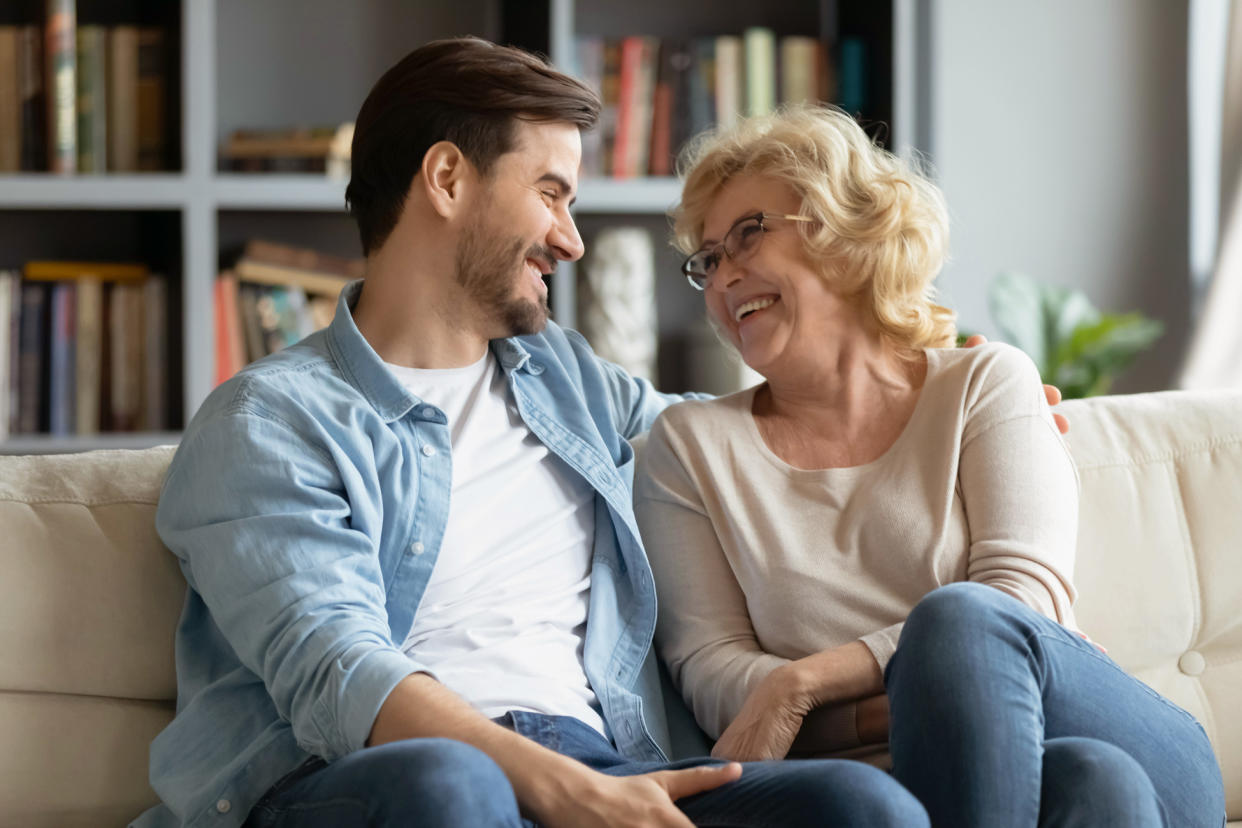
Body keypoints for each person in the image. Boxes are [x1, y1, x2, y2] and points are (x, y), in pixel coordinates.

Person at [133, 39, 938, 828]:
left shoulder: (562, 375)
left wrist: (931, 393)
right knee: (452, 787)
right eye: (550, 194)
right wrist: (561, 790)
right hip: (362, 780)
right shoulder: (271, 421)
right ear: (447, 179)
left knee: (858, 805)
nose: (571, 239)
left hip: (604, 759)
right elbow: (342, 673)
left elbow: (739, 435)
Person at [633, 103, 1227, 827]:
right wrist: (930, 700)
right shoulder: (687, 449)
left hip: (1119, 733)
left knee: (964, 622)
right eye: (708, 258)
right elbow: (718, 678)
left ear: (847, 230)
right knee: (1090, 783)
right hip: (947, 782)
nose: (724, 275)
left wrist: (804, 682)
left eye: (749, 234)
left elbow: (1022, 599)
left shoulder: (984, 383)